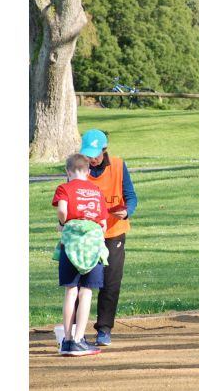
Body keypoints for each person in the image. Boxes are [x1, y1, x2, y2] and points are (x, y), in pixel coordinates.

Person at [78, 129, 138, 347]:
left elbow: (130, 196)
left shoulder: (119, 166)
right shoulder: (78, 168)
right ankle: (77, 332)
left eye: (95, 154)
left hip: (113, 232)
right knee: (83, 282)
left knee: (110, 281)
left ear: (105, 150)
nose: (91, 159)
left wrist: (127, 210)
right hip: (86, 235)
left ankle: (104, 329)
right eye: (88, 154)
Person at [52, 153, 108, 356]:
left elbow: (62, 211)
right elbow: (103, 224)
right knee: (87, 291)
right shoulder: (96, 191)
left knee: (71, 291)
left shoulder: (64, 188)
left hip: (71, 245)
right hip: (91, 245)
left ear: (68, 171)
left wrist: (62, 223)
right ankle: (79, 339)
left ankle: (67, 341)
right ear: (88, 171)